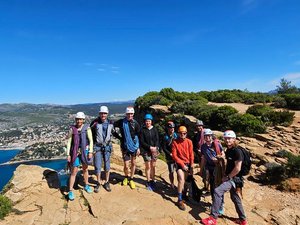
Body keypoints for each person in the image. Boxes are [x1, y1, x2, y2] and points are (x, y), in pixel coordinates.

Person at [201, 130, 247, 225]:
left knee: (217, 191)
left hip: (234, 178)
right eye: (226, 138)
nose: (227, 140)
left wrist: (228, 177)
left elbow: (237, 168)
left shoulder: (237, 151)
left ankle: (213, 218)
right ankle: (243, 220)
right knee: (235, 198)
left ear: (234, 139)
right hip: (231, 177)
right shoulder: (229, 149)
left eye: (229, 138)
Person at [66, 112, 93, 201]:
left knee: (85, 169)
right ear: (75, 120)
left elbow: (91, 140)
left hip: (85, 151)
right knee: (74, 171)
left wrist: (90, 151)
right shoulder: (72, 129)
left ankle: (86, 185)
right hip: (75, 152)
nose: (79, 121)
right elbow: (69, 142)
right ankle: (70, 190)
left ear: (83, 120)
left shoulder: (87, 128)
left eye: (80, 119)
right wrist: (68, 154)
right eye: (77, 119)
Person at [113, 106, 140, 189]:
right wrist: (119, 137)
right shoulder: (121, 122)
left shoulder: (135, 123)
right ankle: (126, 177)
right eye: (128, 114)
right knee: (126, 165)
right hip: (125, 146)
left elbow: (138, 135)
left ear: (133, 114)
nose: (130, 115)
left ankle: (131, 179)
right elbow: (112, 126)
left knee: (133, 163)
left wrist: (138, 147)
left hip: (134, 146)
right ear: (126, 114)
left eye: (131, 114)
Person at [199, 128, 225, 214]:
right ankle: (215, 203)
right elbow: (203, 158)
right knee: (213, 186)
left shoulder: (217, 144)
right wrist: (201, 169)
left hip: (217, 168)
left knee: (218, 186)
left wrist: (218, 159)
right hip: (209, 168)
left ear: (211, 136)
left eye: (209, 136)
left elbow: (223, 154)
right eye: (205, 136)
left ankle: (221, 205)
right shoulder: (203, 146)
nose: (207, 137)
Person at [90, 106, 114, 192]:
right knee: (97, 165)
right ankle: (98, 182)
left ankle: (107, 182)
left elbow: (113, 132)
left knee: (107, 166)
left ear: (107, 114)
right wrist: (90, 146)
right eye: (102, 113)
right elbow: (91, 135)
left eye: (104, 113)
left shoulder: (111, 122)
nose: (103, 115)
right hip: (97, 146)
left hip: (107, 146)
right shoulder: (95, 123)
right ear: (99, 114)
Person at [172, 126, 194, 211]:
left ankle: (184, 194)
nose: (182, 135)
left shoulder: (189, 142)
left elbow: (191, 153)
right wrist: (182, 164)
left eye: (184, 133)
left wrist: (191, 164)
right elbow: (174, 155)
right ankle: (179, 199)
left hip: (188, 163)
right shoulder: (175, 142)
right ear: (178, 133)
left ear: (186, 133)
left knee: (187, 181)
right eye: (181, 133)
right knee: (181, 179)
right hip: (180, 164)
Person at [140, 114, 160, 191]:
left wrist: (156, 147)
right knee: (148, 166)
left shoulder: (154, 129)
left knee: (153, 166)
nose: (148, 122)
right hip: (146, 150)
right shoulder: (143, 130)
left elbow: (157, 139)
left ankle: (153, 179)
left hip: (154, 150)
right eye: (146, 121)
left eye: (149, 121)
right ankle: (148, 181)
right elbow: (142, 141)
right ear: (145, 122)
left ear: (151, 121)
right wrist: (150, 147)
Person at [162, 121, 178, 189]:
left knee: (178, 171)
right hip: (169, 157)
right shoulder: (165, 137)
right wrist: (169, 153)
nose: (172, 129)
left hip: (177, 156)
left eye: (173, 128)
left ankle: (179, 183)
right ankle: (172, 183)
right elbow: (164, 147)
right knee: (171, 171)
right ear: (168, 128)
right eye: (170, 128)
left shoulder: (176, 136)